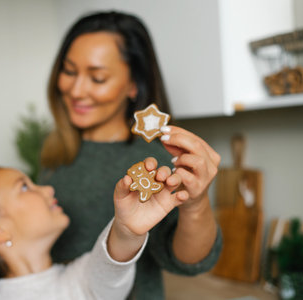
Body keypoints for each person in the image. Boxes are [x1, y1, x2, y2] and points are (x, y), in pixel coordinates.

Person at [40, 10, 223, 299]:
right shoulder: (54, 153)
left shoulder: (155, 161)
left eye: (97, 78)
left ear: (133, 85)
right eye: (69, 71)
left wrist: (196, 204)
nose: (76, 90)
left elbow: (190, 262)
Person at [0, 158, 184, 300]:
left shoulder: (80, 280)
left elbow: (107, 267)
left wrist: (128, 229)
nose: (48, 190)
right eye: (24, 187)